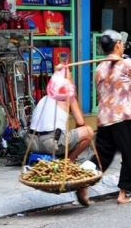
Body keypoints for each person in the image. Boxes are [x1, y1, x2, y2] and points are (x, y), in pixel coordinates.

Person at [91, 29, 131, 204]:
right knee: (127, 155)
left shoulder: (99, 67)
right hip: (124, 117)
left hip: (104, 118)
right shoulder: (126, 64)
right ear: (118, 44)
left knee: (102, 156)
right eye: (122, 43)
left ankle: (84, 182)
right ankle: (123, 194)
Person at [26, 77, 94, 207]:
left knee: (66, 136)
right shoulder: (68, 96)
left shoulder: (43, 99)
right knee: (88, 131)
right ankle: (68, 162)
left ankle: (64, 160)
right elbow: (80, 123)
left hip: (31, 142)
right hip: (50, 142)